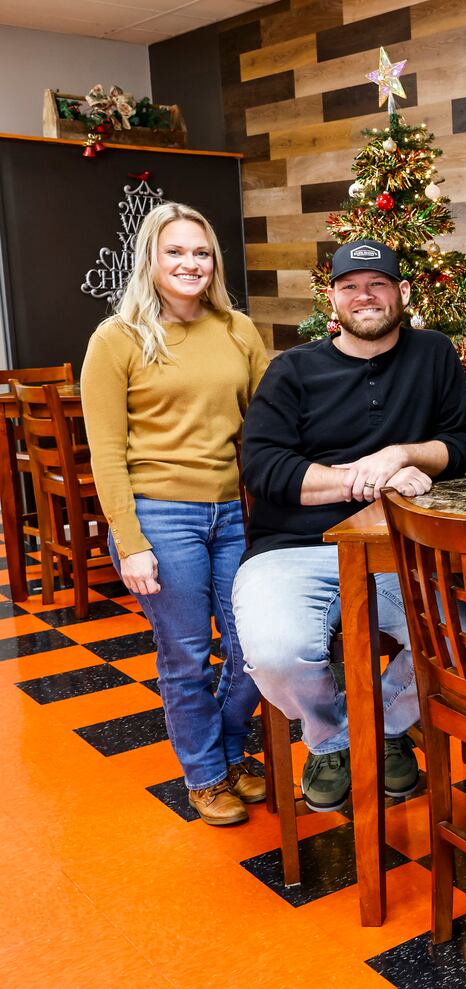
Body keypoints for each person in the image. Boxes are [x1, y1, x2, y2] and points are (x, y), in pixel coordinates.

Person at [234, 239, 466, 812]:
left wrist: (402, 455)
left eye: (378, 284)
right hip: (295, 548)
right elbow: (262, 467)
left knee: (465, 636)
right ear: (332, 299)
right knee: (275, 651)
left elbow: (460, 445)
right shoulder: (291, 370)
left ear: (403, 293)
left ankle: (386, 728)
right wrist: (364, 478)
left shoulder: (434, 354)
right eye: (350, 287)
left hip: (400, 545)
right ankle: (330, 741)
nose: (364, 296)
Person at [82, 202, 270, 826]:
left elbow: (271, 420)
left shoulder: (239, 329)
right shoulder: (118, 338)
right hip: (161, 517)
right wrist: (129, 541)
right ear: (152, 261)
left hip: (234, 515)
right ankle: (208, 773)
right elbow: (106, 452)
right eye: (176, 252)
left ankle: (230, 748)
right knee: (187, 655)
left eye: (201, 252)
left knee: (255, 651)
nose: (191, 263)